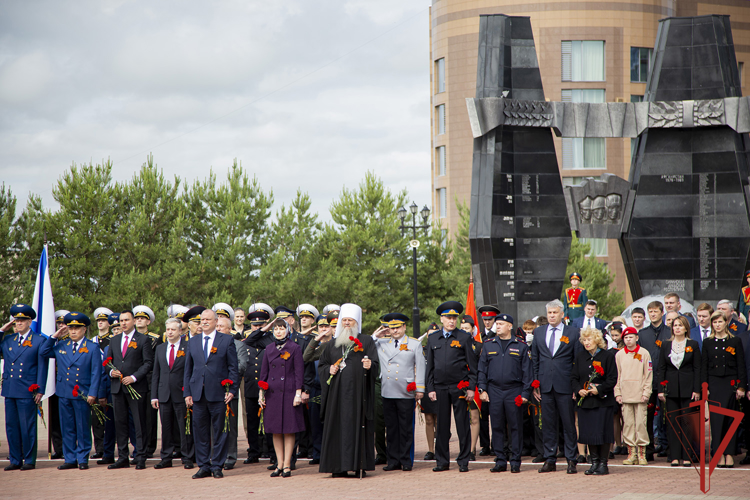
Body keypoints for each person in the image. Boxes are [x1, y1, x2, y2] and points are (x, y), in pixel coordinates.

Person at [318, 303, 378, 478]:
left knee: (358, 428)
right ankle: (338, 467)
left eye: (349, 320)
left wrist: (369, 366)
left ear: (356, 322)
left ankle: (359, 466)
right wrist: (328, 370)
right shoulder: (332, 344)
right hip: (337, 397)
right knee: (338, 429)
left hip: (358, 396)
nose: (346, 323)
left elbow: (376, 365)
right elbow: (321, 365)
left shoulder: (366, 341)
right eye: (344, 320)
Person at [42, 312, 102, 470]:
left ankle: (82, 458)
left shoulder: (92, 347)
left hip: (82, 393)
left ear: (84, 329)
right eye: (70, 328)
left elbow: (96, 372)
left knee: (82, 428)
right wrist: (54, 336)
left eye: (77, 328)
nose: (73, 331)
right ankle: (70, 458)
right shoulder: (62, 345)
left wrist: (93, 393)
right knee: (67, 428)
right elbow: (43, 352)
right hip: (64, 393)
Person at [183, 309, 239, 478]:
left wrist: (232, 390)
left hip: (219, 393)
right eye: (202, 320)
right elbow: (188, 369)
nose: (204, 322)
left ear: (216, 321)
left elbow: (233, 368)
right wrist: (187, 392)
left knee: (220, 431)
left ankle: (217, 466)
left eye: (208, 319)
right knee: (200, 431)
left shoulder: (227, 340)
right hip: (198, 393)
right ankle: (203, 465)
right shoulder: (193, 341)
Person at [532, 299, 582, 474]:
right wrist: (535, 383)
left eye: (555, 312)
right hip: (545, 386)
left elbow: (577, 362)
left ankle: (571, 460)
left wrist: (576, 387)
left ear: (562, 314)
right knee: (548, 424)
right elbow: (535, 361)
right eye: (549, 313)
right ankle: (550, 459)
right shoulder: (538, 333)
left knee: (568, 424)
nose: (552, 315)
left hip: (565, 385)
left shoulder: (573, 333)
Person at [426, 301, 477, 473]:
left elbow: (472, 366)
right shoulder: (433, 338)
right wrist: (430, 388)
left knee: (462, 424)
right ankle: (442, 461)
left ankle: (463, 461)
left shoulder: (464, 337)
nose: (452, 321)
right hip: (440, 387)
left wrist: (471, 387)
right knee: (441, 426)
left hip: (459, 387)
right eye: (448, 318)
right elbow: (430, 367)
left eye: (454, 318)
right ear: (441, 319)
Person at [477, 313, 531, 473]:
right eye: (497, 324)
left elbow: (527, 373)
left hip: (514, 390)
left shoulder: (521, 345)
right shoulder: (488, 345)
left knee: (515, 426)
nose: (497, 326)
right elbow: (482, 369)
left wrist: (526, 393)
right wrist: (482, 389)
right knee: (497, 426)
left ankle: (515, 461)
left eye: (501, 324)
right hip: (494, 390)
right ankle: (500, 460)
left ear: (510, 326)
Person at [372, 312, 425, 472]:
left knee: (405, 428)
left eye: (397, 327)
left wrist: (420, 388)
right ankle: (393, 460)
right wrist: (376, 335)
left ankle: (406, 460)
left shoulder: (414, 344)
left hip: (405, 391)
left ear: (404, 327)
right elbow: (365, 344)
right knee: (392, 428)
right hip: (388, 390)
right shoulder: (381, 343)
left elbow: (421, 366)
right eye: (391, 328)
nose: (394, 331)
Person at [1, 304, 50, 471]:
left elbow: (43, 366)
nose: (18, 323)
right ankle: (15, 459)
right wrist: (2, 330)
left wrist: (41, 388)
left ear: (30, 321)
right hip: (10, 388)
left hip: (28, 389)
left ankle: (29, 459)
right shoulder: (8, 339)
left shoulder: (39, 340)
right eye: (16, 321)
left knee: (27, 426)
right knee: (11, 426)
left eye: (22, 320)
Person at [106, 310, 154, 470]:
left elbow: (148, 363)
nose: (123, 323)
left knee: (139, 423)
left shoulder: (143, 339)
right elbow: (108, 361)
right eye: (121, 320)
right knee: (120, 423)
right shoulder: (114, 340)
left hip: (136, 387)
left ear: (133, 321)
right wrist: (110, 371)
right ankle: (123, 456)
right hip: (117, 388)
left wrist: (134, 377)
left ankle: (140, 456)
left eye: (127, 320)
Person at [259, 318, 305, 478]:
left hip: (290, 392)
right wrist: (261, 394)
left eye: (281, 328)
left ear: (287, 330)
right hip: (272, 394)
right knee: (275, 431)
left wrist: (298, 394)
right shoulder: (269, 348)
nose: (278, 331)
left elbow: (299, 373)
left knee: (289, 430)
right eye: (276, 328)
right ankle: (278, 464)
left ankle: (287, 465)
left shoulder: (295, 348)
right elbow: (263, 375)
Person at [702, 310, 747, 467]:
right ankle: (719, 453)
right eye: (714, 322)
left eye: (720, 321)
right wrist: (705, 387)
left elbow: (741, 365)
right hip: (714, 384)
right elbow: (704, 367)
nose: (717, 325)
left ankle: (729, 454)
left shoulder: (734, 341)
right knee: (716, 421)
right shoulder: (707, 342)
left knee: (730, 420)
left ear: (726, 322)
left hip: (730, 384)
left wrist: (741, 386)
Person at [656, 316, 701, 467]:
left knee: (687, 423)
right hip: (670, 389)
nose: (677, 328)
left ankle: (687, 455)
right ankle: (674, 456)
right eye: (675, 325)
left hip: (689, 389)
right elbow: (661, 368)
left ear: (686, 328)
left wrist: (697, 389)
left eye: (680, 325)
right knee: (672, 423)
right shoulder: (665, 345)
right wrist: (661, 390)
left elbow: (697, 368)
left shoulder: (693, 344)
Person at [571, 327, 617, 475]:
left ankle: (603, 464)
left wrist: (600, 389)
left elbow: (612, 378)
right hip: (586, 402)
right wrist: (579, 389)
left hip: (602, 401)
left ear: (597, 340)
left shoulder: (607, 356)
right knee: (589, 433)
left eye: (589, 339)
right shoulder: (580, 357)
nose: (586, 342)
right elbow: (574, 378)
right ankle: (594, 462)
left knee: (602, 432)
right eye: (584, 340)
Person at [151, 318, 193, 469]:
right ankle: (166, 457)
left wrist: (189, 393)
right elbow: (156, 373)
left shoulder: (188, 347)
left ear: (180, 331)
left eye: (173, 329)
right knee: (166, 427)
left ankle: (187, 457)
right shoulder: (160, 348)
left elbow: (190, 372)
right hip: (164, 394)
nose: (169, 332)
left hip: (181, 393)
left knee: (184, 427)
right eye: (167, 329)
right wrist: (154, 395)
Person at [637, 300, 670, 461]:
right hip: (648, 381)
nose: (653, 314)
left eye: (656, 311)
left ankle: (669, 447)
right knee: (647, 416)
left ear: (661, 313)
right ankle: (648, 449)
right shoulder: (642, 334)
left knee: (668, 415)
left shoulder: (669, 332)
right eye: (650, 311)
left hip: (665, 381)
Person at [614, 327, 652, 466]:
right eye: (626, 337)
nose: (628, 340)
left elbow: (648, 375)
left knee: (641, 423)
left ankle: (642, 454)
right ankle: (631, 453)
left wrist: (646, 392)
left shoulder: (644, 353)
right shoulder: (619, 355)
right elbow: (617, 375)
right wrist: (618, 393)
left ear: (637, 338)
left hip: (640, 394)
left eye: (631, 337)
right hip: (625, 394)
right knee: (628, 424)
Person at [216, 315, 248, 470]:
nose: (218, 328)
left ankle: (230, 456)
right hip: (212, 389)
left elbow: (242, 366)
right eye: (217, 326)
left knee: (230, 426)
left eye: (222, 326)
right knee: (214, 425)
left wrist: (226, 375)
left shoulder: (238, 345)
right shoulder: (210, 343)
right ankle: (215, 455)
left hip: (229, 389)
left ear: (230, 329)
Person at [242, 308, 273, 465]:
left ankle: (271, 452)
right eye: (254, 326)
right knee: (252, 423)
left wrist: (264, 331)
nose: (257, 328)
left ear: (266, 324)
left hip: (268, 387)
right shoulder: (248, 340)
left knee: (269, 421)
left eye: (260, 325)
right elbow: (248, 341)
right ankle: (253, 452)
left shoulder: (271, 339)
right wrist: (260, 331)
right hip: (251, 386)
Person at [303, 314, 335, 465]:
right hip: (316, 389)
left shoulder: (335, 345)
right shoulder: (317, 345)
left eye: (326, 326)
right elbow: (306, 358)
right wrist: (315, 339)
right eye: (321, 326)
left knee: (330, 423)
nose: (324, 329)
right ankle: (317, 453)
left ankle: (330, 453)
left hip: (331, 389)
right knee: (315, 424)